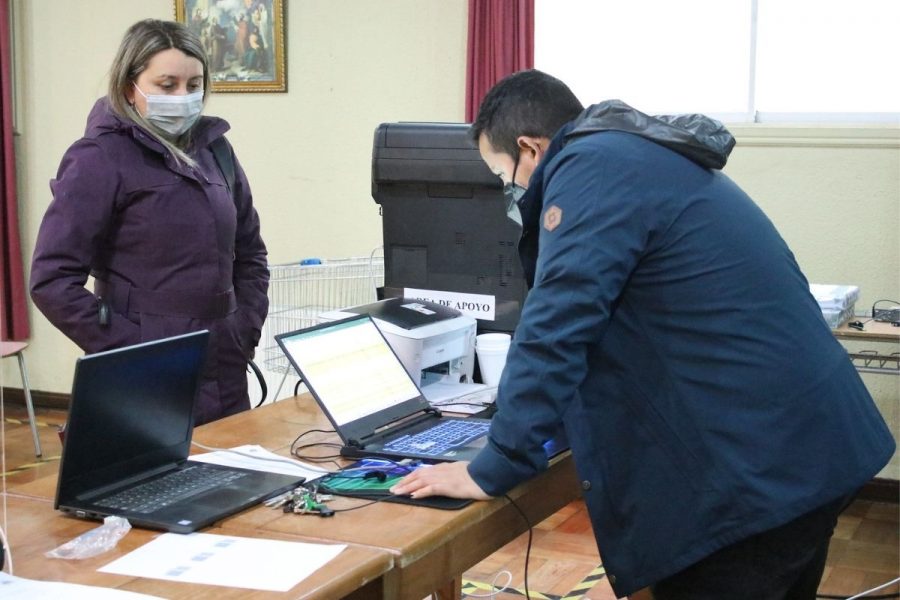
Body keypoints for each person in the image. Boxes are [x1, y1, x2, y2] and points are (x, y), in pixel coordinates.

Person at [391, 70, 896, 599]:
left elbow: (556, 325)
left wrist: (494, 465)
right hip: (808, 443)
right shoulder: (641, 159)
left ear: (530, 148)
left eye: (503, 177)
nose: (510, 194)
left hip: (760, 467)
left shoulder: (589, 168)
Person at [30, 19, 268, 426]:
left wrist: (243, 327)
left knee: (233, 478)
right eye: (167, 84)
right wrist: (129, 346)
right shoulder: (98, 157)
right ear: (130, 87)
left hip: (225, 364)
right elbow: (51, 280)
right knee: (151, 487)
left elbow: (251, 254)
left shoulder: (218, 151)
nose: (183, 96)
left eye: (194, 86)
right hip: (144, 371)